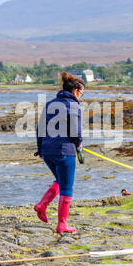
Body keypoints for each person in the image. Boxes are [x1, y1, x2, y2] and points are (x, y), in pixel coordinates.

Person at [34, 71, 84, 233]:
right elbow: (75, 132)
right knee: (67, 188)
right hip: (65, 150)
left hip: (48, 151)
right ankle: (62, 224)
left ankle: (42, 205)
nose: (81, 97)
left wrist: (40, 148)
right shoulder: (74, 105)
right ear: (75, 91)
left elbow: (40, 128)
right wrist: (79, 145)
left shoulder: (50, 104)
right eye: (81, 93)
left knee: (59, 180)